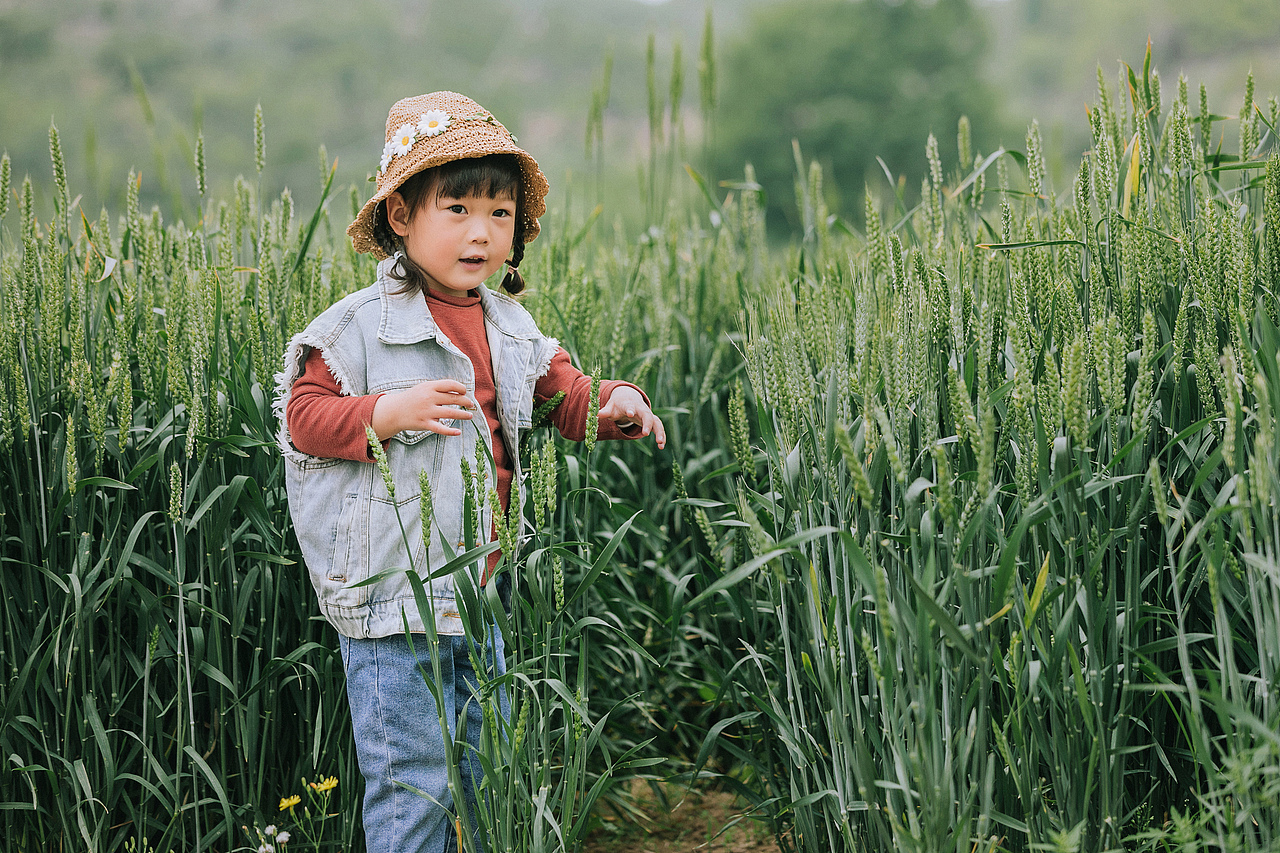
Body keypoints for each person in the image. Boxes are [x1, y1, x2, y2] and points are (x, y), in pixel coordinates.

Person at [273, 91, 665, 853]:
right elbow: (303, 418)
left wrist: (617, 401)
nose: (481, 232)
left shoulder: (511, 329)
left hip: (481, 598)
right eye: (457, 209)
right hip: (393, 602)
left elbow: (566, 395)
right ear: (401, 216)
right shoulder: (356, 328)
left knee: (489, 771)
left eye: (500, 212)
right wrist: (384, 412)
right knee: (414, 780)